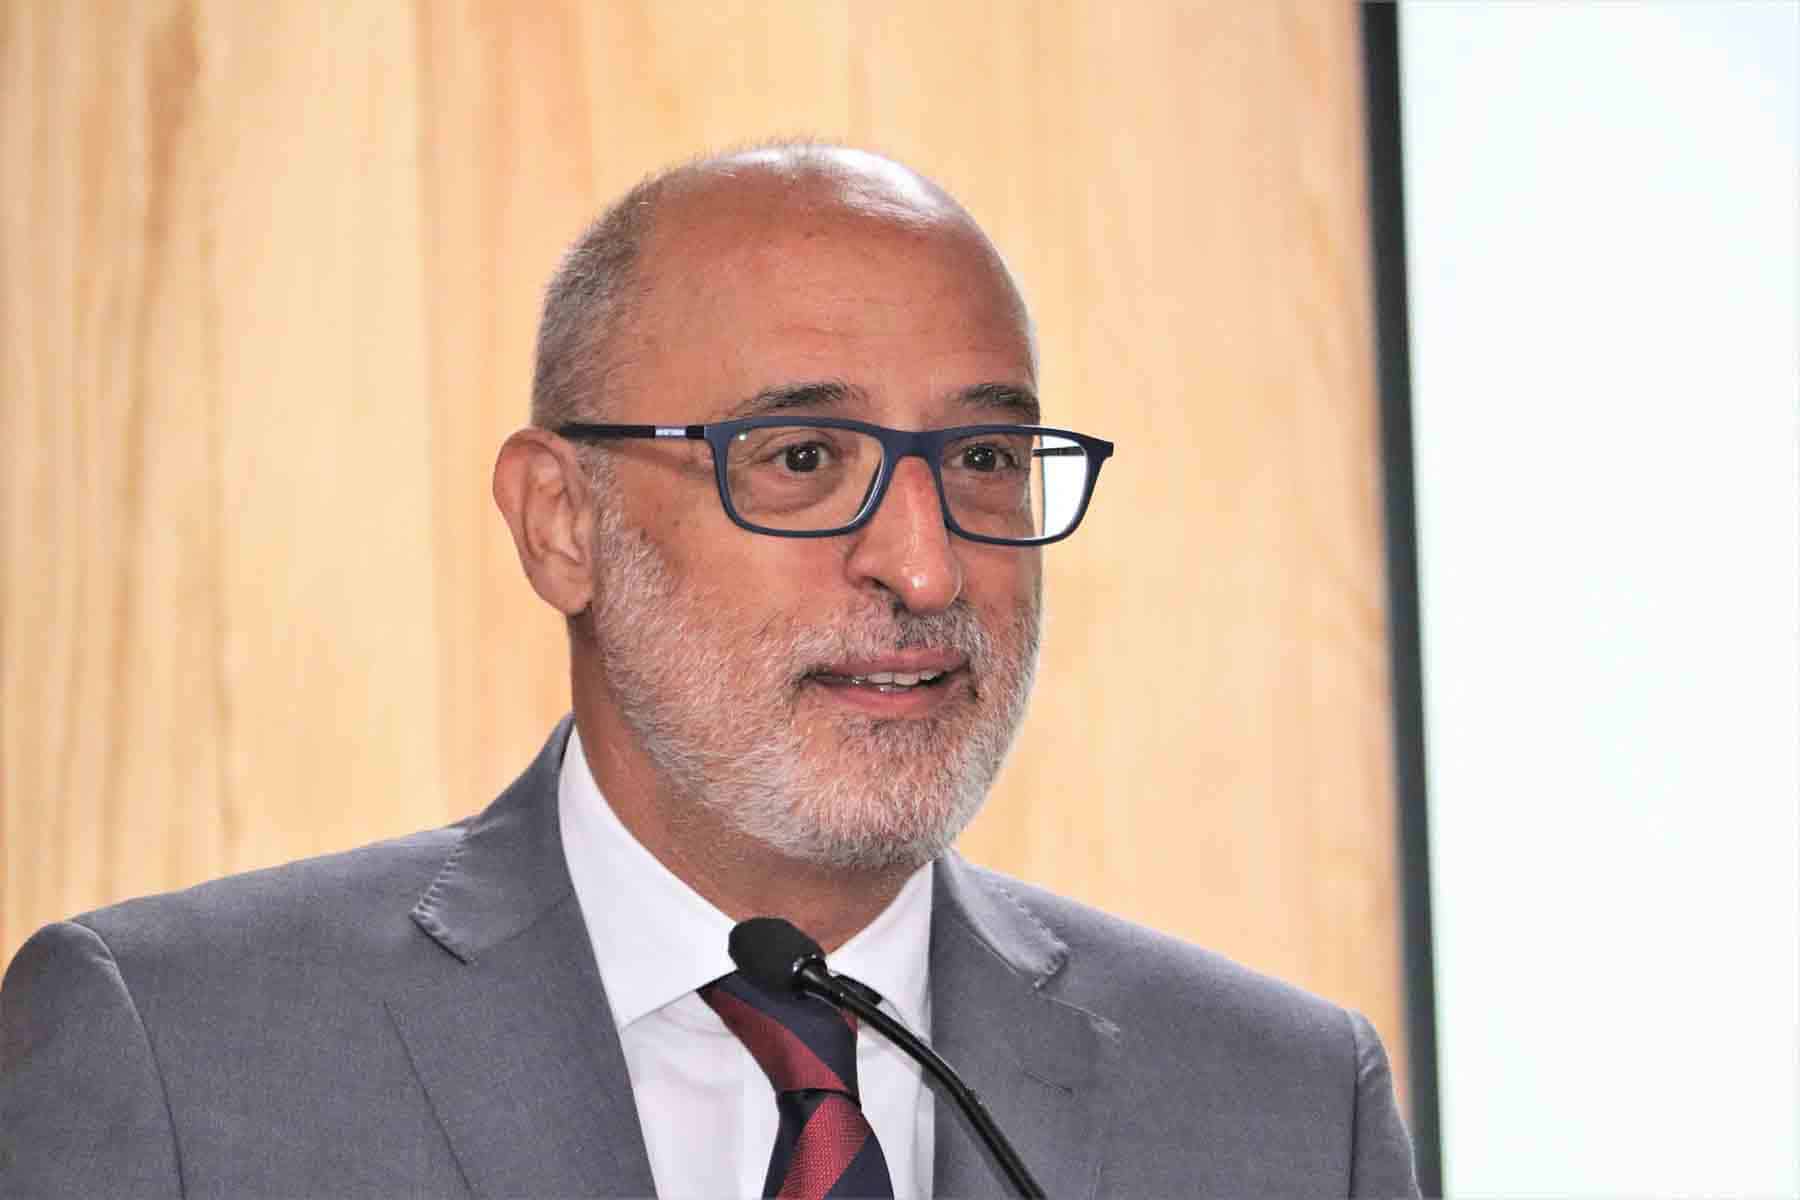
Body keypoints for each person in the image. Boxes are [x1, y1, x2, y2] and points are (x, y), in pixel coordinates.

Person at [0, 144, 1419, 1197]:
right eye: (802, 459)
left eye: (985, 458)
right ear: (561, 523)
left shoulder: (1286, 1111)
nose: (926, 568)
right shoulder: (181, 1054)